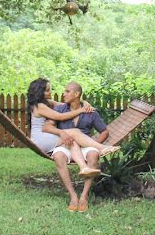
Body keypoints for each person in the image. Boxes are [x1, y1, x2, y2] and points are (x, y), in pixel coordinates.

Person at [27, 78, 119, 211]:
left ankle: (84, 176)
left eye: (67, 91)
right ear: (40, 92)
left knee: (75, 141)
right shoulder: (42, 106)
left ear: (76, 94)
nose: (51, 92)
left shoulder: (47, 103)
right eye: (47, 90)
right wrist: (81, 111)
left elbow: (103, 130)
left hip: (56, 140)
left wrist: (84, 103)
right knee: (74, 133)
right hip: (42, 138)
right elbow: (59, 118)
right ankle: (102, 149)